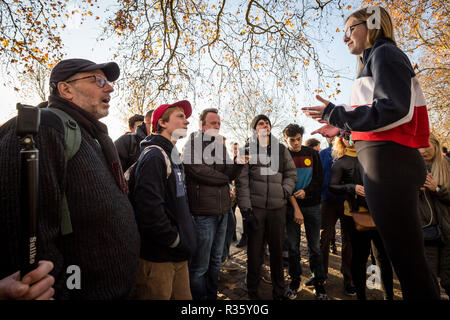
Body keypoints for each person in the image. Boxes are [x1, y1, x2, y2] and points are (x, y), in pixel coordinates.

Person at [302, 6, 440, 299]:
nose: (344, 38)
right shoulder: (376, 58)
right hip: (387, 163)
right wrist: (342, 129)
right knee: (406, 259)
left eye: (350, 29)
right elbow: (381, 119)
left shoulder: (384, 53)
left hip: (390, 165)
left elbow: (393, 108)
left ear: (372, 24)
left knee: (408, 262)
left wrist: (336, 113)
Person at [0, 58, 140, 299]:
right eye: (99, 80)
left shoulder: (90, 137)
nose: (110, 87)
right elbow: (21, 234)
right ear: (65, 89)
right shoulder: (42, 129)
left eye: (108, 81)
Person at [132, 101, 197, 300]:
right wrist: (175, 240)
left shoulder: (173, 155)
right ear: (162, 122)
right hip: (159, 258)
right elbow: (148, 210)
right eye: (179, 116)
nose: (186, 121)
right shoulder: (154, 156)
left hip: (178, 256)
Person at [183, 108, 245, 300]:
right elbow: (198, 171)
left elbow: (230, 172)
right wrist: (224, 178)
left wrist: (238, 163)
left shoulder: (220, 147)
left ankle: (211, 297)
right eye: (212, 123)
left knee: (216, 261)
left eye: (218, 123)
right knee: (199, 266)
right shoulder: (192, 144)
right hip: (203, 214)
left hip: (224, 212)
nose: (217, 126)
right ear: (202, 126)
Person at [236, 114, 297, 300]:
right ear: (255, 129)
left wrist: (284, 191)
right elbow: (241, 182)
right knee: (254, 254)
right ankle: (252, 293)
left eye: (267, 123)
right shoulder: (246, 150)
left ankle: (279, 292)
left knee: (278, 253)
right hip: (256, 210)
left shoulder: (281, 149)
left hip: (278, 209)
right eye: (260, 123)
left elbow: (291, 173)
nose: (265, 125)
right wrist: (246, 210)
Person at [329, 136, 394, 300]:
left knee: (382, 256)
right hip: (355, 214)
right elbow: (332, 186)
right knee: (360, 255)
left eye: (351, 134)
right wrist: (352, 187)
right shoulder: (340, 162)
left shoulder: (374, 154)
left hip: (379, 212)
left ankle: (389, 296)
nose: (348, 138)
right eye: (344, 135)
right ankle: (361, 296)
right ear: (340, 140)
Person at [282, 124, 327, 300]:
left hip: (313, 206)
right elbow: (282, 182)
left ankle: (318, 282)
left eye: (299, 138)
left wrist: (307, 191)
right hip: (290, 207)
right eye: (292, 140)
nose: (296, 143)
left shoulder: (312, 153)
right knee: (293, 247)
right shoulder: (283, 156)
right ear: (286, 139)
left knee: (314, 246)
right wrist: (294, 203)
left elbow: (319, 179)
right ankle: (295, 280)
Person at [318, 137, 355, 296]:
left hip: (348, 202)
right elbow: (318, 176)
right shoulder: (323, 154)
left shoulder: (353, 153)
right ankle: (321, 275)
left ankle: (348, 278)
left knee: (349, 240)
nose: (332, 136)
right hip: (328, 202)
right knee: (324, 239)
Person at [418, 134, 450, 297]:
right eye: (419, 147)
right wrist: (415, 190)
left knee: (448, 280)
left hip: (448, 232)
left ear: (436, 146)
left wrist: (437, 189)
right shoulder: (412, 168)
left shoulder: (447, 165)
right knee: (429, 281)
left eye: (427, 146)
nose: (423, 151)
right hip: (426, 232)